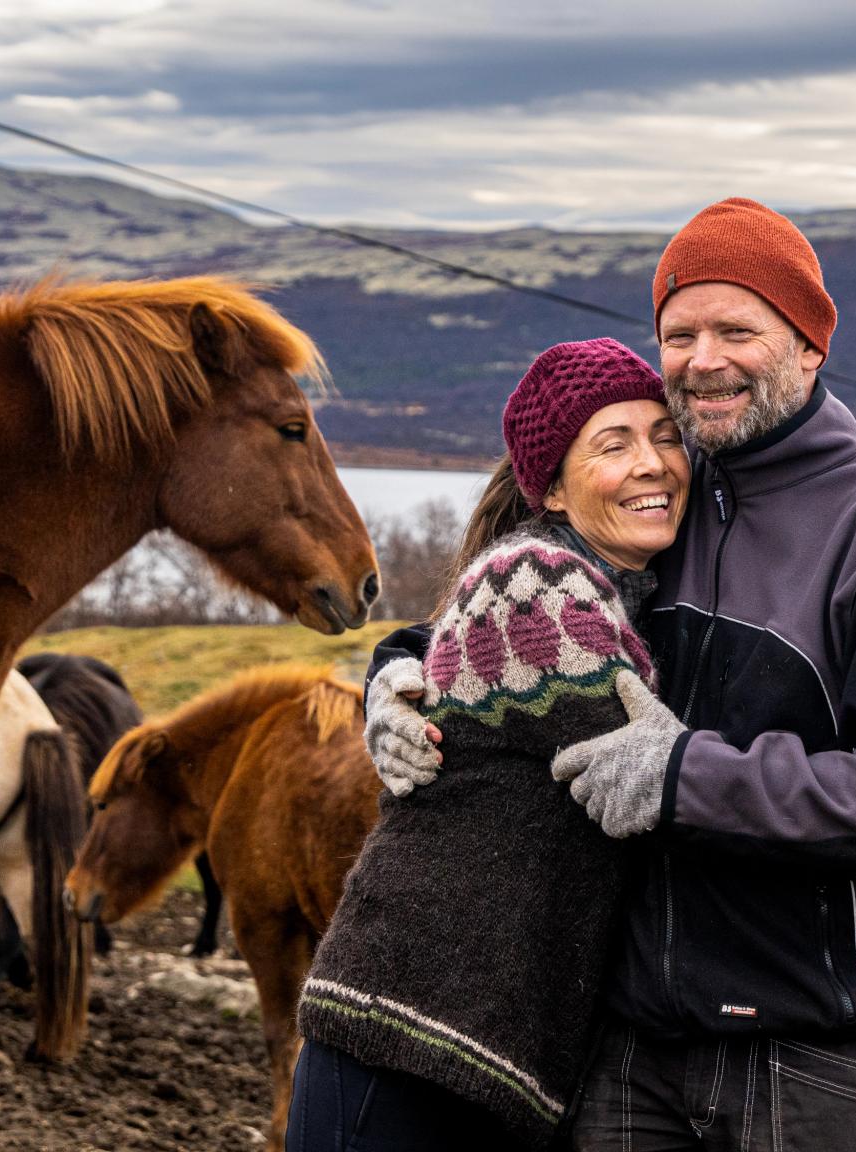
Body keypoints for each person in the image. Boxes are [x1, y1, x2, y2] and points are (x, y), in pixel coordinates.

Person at [367, 198, 856, 1151]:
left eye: (738, 329)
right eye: (680, 333)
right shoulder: (667, 496)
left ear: (811, 345)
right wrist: (399, 670)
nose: (705, 359)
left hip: (822, 1063)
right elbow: (516, 614)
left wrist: (683, 776)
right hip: (629, 1057)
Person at [288, 338, 689, 1151]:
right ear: (552, 490)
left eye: (666, 435)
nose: (652, 462)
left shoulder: (620, 587)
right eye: (614, 445)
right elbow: (659, 789)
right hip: (405, 1040)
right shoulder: (536, 585)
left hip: (473, 1053)